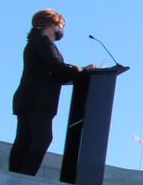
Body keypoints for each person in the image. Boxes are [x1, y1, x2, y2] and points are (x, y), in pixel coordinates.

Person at [9, 9, 95, 176]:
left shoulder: (39, 43)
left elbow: (56, 74)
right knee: (42, 138)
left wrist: (79, 73)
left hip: (31, 98)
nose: (62, 30)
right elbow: (55, 66)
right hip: (37, 99)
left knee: (25, 139)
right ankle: (23, 176)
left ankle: (16, 174)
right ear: (51, 24)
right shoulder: (42, 42)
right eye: (61, 25)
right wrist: (81, 69)